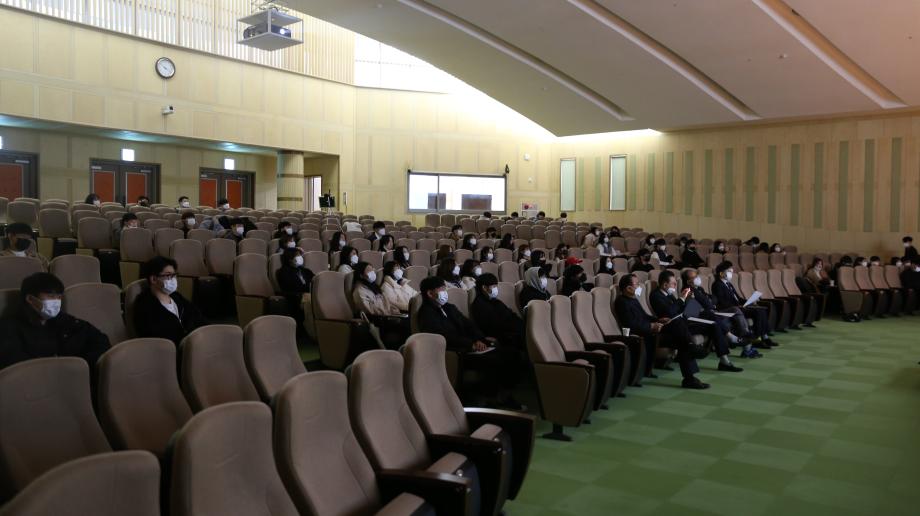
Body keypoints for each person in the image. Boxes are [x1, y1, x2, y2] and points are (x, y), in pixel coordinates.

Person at [416, 276, 521, 408]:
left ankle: (505, 394)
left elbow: (469, 325)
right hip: (457, 352)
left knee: (511, 353)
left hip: (471, 346)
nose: (445, 292)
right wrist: (470, 344)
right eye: (441, 289)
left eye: (444, 289)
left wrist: (479, 339)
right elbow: (444, 337)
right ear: (430, 293)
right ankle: (492, 399)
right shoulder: (426, 314)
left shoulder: (449, 308)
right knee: (495, 360)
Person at [614, 274, 708, 389]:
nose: (639, 286)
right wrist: (651, 326)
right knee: (681, 334)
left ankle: (690, 378)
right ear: (628, 288)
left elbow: (645, 316)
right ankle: (691, 349)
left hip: (652, 332)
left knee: (681, 339)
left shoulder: (633, 300)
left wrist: (658, 320)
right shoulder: (622, 302)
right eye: (637, 284)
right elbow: (631, 324)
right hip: (644, 335)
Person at [0, 273, 109, 371]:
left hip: (73, 379)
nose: (56, 302)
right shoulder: (8, 328)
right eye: (51, 296)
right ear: (30, 299)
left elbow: (100, 340)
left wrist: (81, 366)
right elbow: (16, 367)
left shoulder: (63, 320)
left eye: (59, 297)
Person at [650, 270, 742, 372]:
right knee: (707, 322)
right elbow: (668, 313)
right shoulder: (655, 295)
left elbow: (680, 309)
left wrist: (688, 301)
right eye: (673, 283)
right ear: (664, 284)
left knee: (714, 324)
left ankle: (724, 361)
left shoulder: (669, 294)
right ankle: (693, 349)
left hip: (684, 320)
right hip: (674, 326)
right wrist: (681, 299)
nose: (675, 286)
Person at [682, 269, 761, 359]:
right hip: (699, 318)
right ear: (688, 281)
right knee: (722, 319)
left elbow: (714, 299)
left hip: (710, 313)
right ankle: (743, 342)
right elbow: (706, 303)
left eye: (697, 275)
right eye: (694, 277)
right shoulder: (687, 290)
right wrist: (708, 302)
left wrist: (709, 302)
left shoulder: (700, 289)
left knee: (734, 314)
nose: (697, 278)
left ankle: (745, 343)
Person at [133, 257, 206, 347]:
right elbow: (154, 337)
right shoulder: (144, 305)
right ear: (154, 279)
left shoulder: (176, 297)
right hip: (170, 350)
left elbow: (197, 316)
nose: (173, 279)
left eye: (174, 275)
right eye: (168, 275)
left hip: (192, 344)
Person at [711, 261, 776, 348]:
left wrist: (749, 301)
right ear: (721, 273)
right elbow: (722, 302)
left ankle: (765, 337)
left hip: (739, 307)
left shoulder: (729, 284)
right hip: (730, 309)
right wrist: (738, 306)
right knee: (757, 312)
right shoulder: (717, 285)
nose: (731, 273)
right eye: (729, 271)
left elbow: (738, 298)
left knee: (761, 310)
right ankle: (757, 339)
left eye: (731, 271)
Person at [352, 261, 408, 350]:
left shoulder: (374, 287)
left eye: (372, 269)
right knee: (405, 326)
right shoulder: (359, 291)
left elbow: (387, 303)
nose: (373, 272)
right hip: (379, 321)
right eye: (369, 271)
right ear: (361, 275)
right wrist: (389, 314)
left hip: (388, 316)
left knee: (407, 321)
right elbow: (370, 311)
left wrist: (396, 313)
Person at [470, 273, 525, 351]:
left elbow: (510, 314)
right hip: (500, 335)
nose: (496, 289)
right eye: (493, 286)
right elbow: (491, 326)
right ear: (484, 287)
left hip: (509, 330)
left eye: (496, 286)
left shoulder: (496, 302)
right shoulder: (479, 304)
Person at [276, 247, 314, 337]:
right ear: (289, 258)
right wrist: (304, 291)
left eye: (300, 255)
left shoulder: (305, 271)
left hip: (309, 294)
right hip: (296, 297)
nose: (300, 257)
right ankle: (312, 332)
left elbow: (315, 281)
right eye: (297, 255)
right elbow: (289, 288)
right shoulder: (283, 272)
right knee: (309, 300)